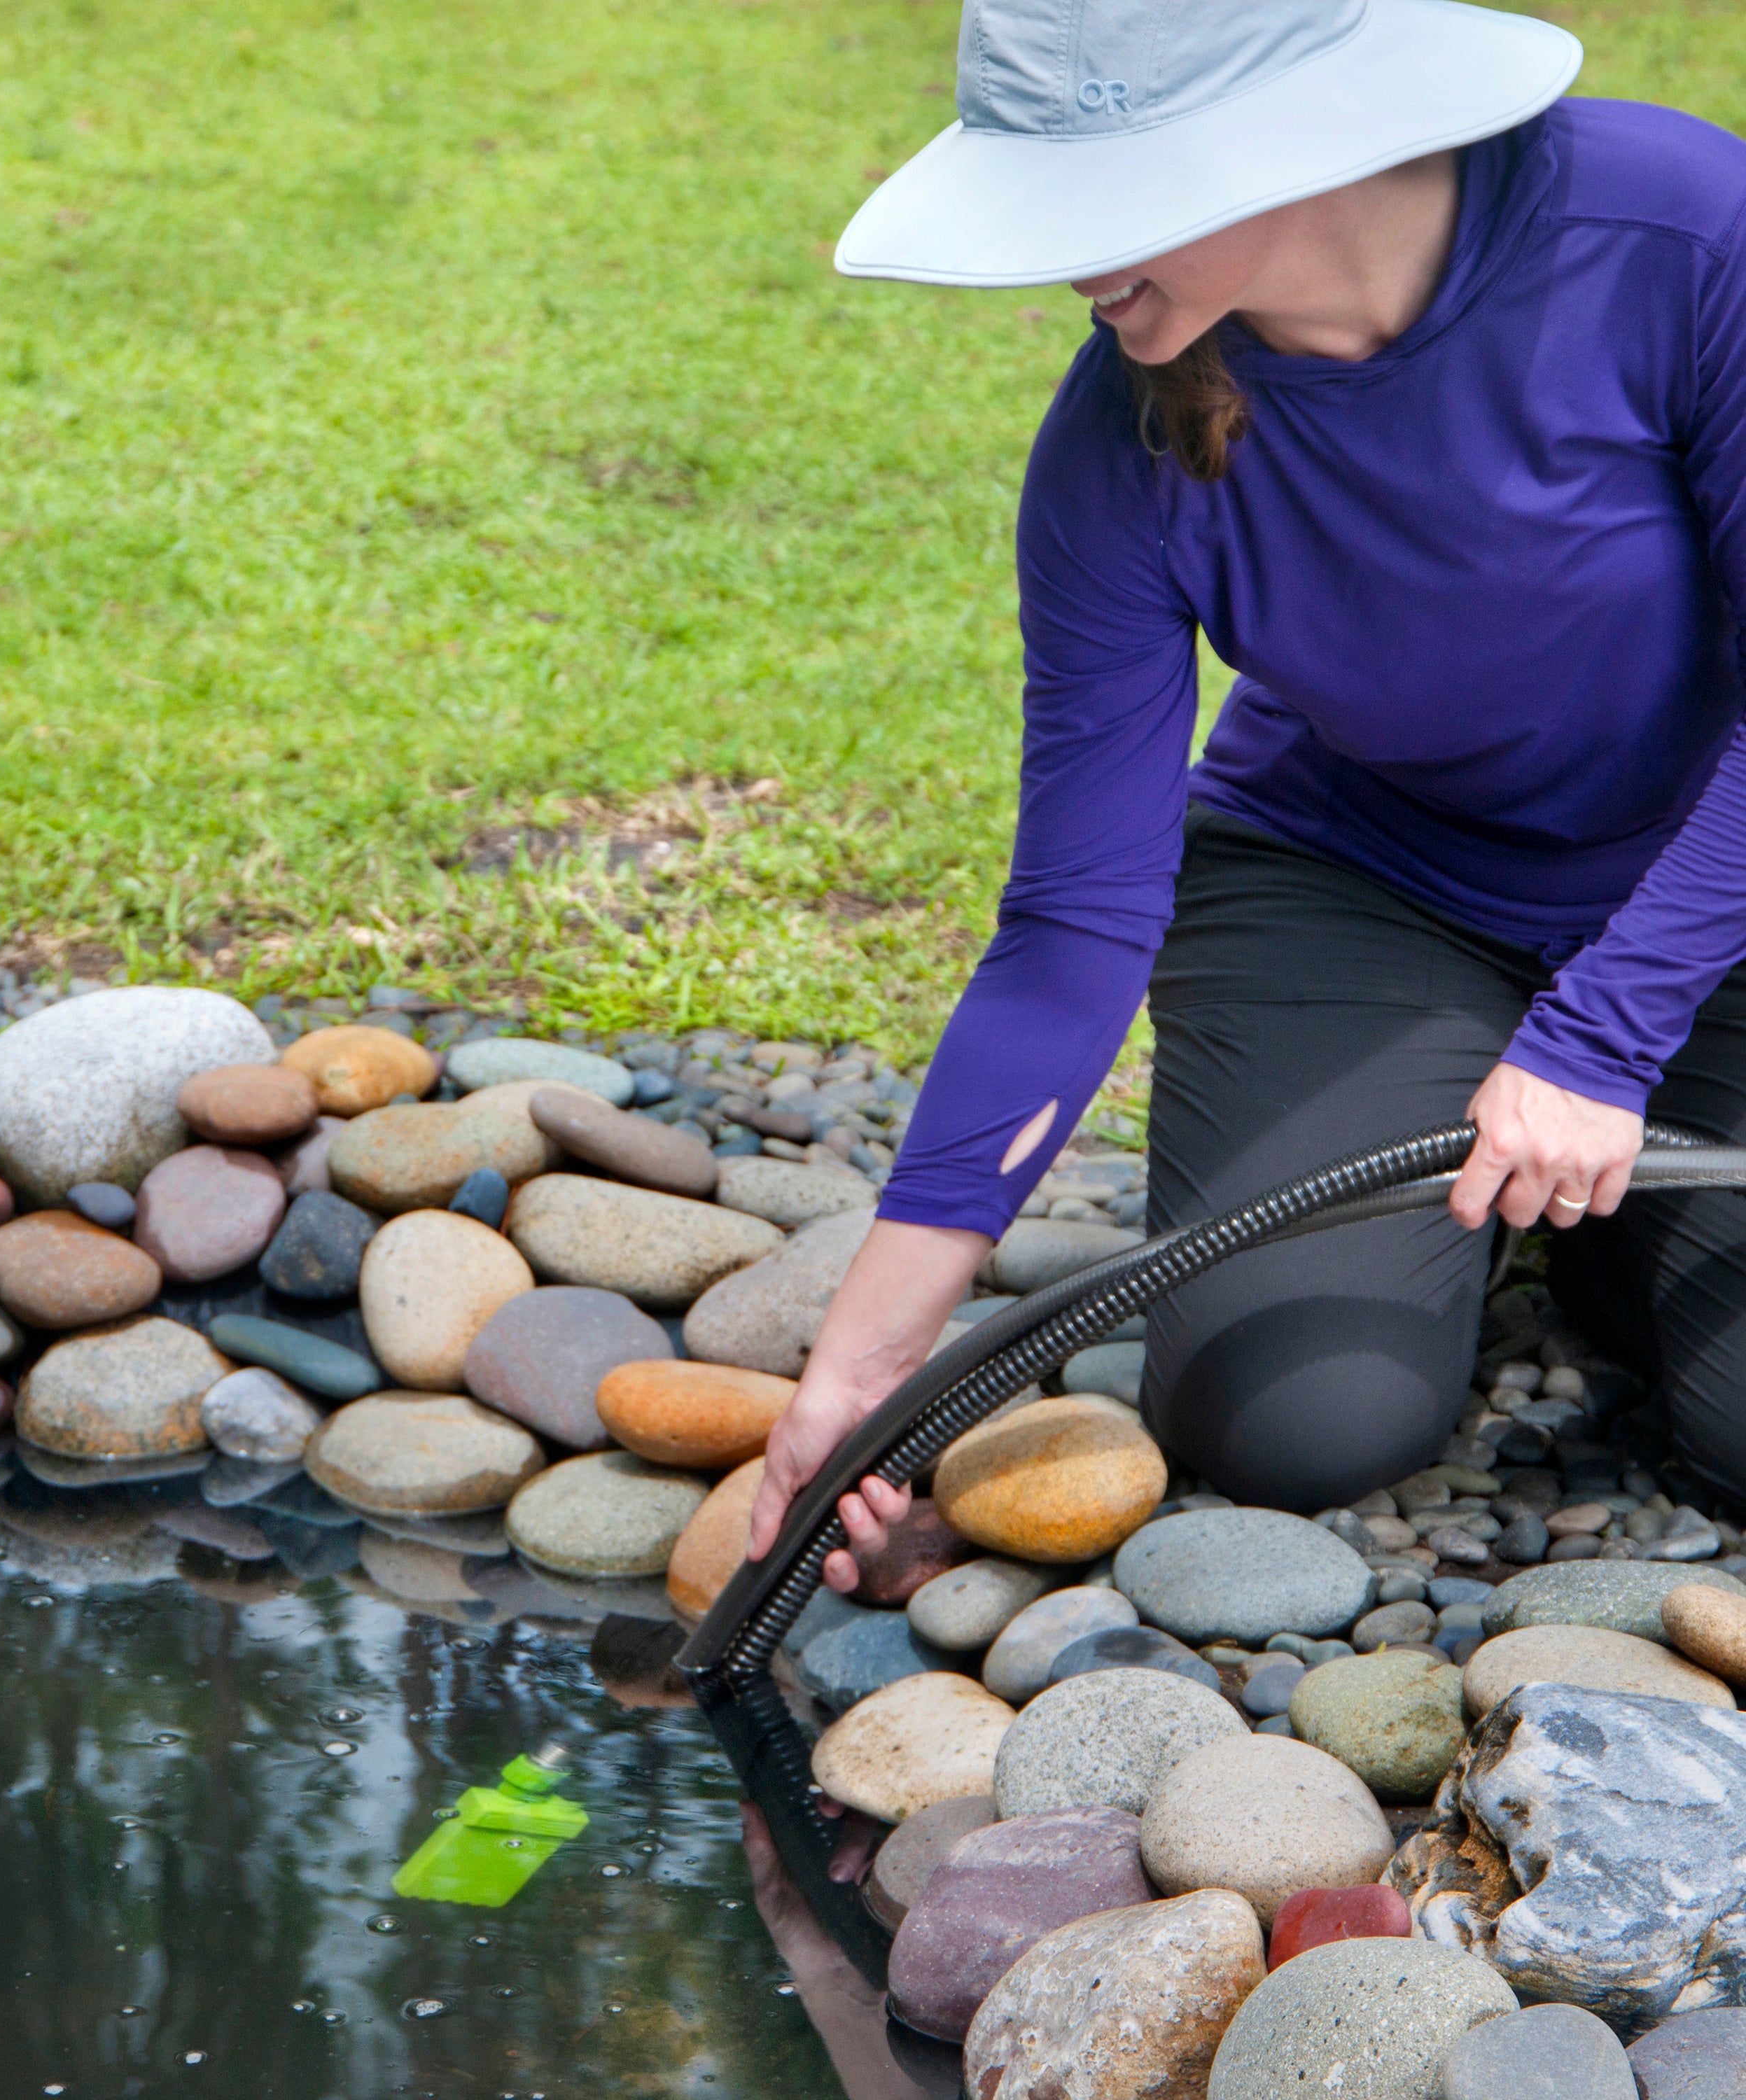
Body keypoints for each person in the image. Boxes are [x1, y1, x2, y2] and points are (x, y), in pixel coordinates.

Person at [747, 0, 1746, 1591]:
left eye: (1105, 193)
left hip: (1712, 881)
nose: (1063, 262)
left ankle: (1585, 1221)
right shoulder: (1116, 445)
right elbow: (1075, 922)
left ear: (1299, 133)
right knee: (1291, 1420)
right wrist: (867, 1363)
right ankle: (1504, 1167)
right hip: (1362, 879)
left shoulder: (1679, 232)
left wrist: (1600, 1039)